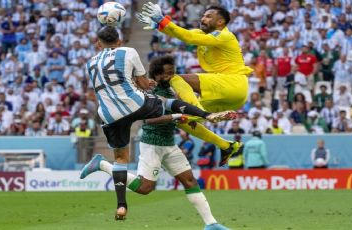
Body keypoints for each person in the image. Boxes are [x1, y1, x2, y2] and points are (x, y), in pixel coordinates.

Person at [82, 26, 236, 221]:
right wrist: (176, 116)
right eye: (165, 74)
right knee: (145, 187)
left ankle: (211, 224)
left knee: (188, 180)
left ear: (98, 44)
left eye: (172, 72)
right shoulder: (137, 68)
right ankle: (103, 165)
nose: (169, 77)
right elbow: (149, 113)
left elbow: (116, 81)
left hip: (116, 117)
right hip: (152, 142)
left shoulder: (91, 62)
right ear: (119, 42)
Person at [137, 4, 253, 165]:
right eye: (203, 16)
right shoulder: (203, 34)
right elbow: (181, 33)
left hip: (232, 82)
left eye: (208, 16)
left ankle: (201, 114)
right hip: (234, 96)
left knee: (175, 78)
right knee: (183, 120)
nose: (203, 19)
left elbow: (189, 38)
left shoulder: (224, 35)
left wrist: (163, 20)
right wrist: (159, 25)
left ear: (220, 22)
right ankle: (226, 145)